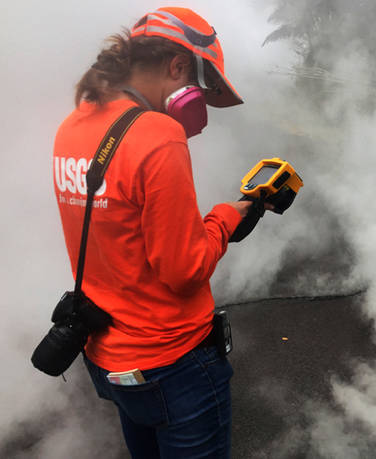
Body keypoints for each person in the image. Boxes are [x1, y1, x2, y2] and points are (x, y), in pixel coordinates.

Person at [53, 7, 258, 458]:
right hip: (174, 363)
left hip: (109, 357)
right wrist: (229, 216)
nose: (198, 97)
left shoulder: (74, 125)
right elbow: (184, 270)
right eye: (199, 84)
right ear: (178, 65)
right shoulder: (158, 134)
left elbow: (120, 233)